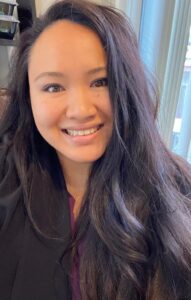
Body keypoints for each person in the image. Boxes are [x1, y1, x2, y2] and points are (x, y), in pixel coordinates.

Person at [0, 0, 191, 299]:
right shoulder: (5, 177)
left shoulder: (178, 190)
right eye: (53, 87)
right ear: (28, 97)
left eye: (100, 81)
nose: (80, 110)